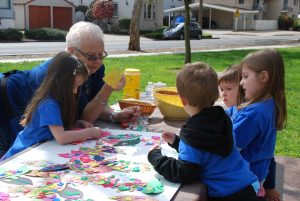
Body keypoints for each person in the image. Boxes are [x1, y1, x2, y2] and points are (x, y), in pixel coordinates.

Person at [0, 21, 140, 157]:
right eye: (91, 56)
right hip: (9, 95)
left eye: (101, 55)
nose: (97, 61)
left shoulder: (93, 68)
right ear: (71, 51)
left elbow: (91, 104)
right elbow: (79, 117)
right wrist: (107, 90)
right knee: (16, 153)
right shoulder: (55, 77)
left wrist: (113, 115)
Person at [148, 62, 265, 201]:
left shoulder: (191, 134)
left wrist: (156, 158)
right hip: (249, 184)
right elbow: (208, 150)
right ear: (216, 95)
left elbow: (185, 172)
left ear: (182, 100)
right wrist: (177, 142)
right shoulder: (223, 118)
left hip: (226, 195)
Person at [1, 52, 104, 160]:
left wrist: (77, 123)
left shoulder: (59, 99)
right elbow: (61, 137)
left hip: (42, 150)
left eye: (78, 86)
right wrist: (90, 132)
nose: (75, 91)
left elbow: (56, 127)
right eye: (74, 85)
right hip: (24, 154)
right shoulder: (49, 104)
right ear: (61, 81)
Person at [227, 49, 287, 200]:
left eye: (245, 77)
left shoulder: (253, 115)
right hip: (258, 177)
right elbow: (233, 111)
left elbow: (228, 147)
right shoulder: (268, 104)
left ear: (264, 76)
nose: (241, 83)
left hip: (242, 183)